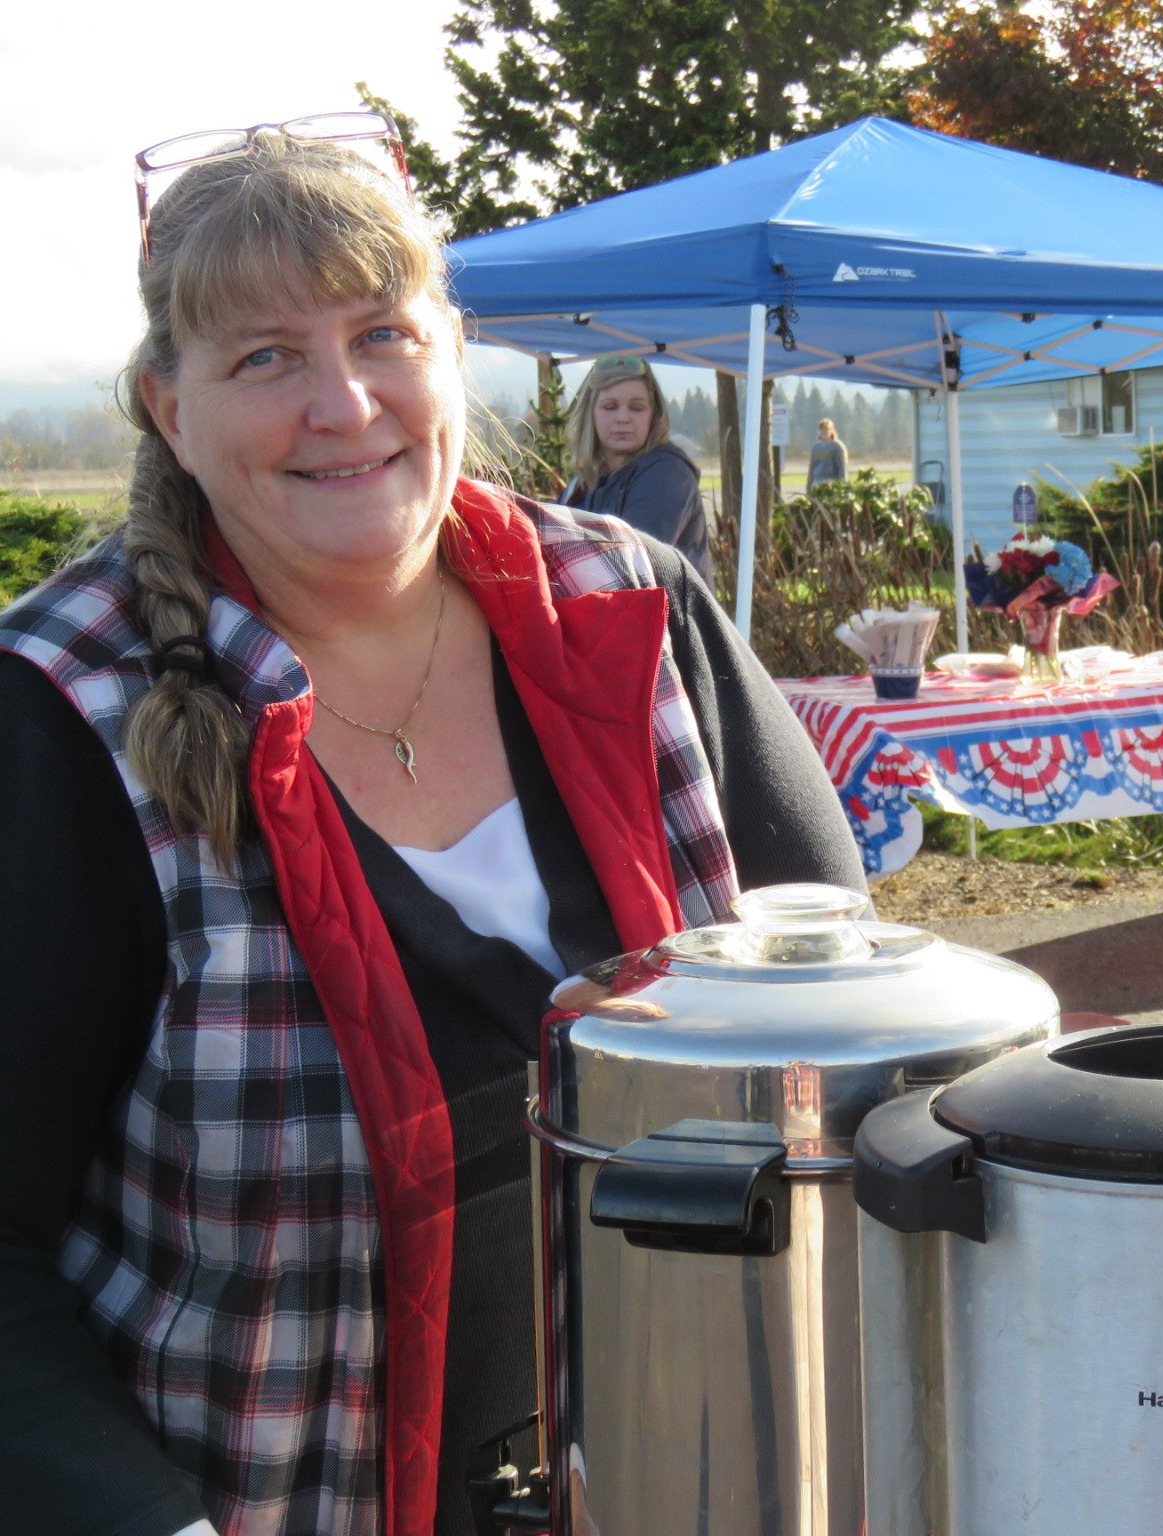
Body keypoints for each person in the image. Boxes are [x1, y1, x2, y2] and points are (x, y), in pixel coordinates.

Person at [0, 126, 863, 1536]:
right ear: (169, 408)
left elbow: (855, 1039)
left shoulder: (630, 613)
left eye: (382, 334)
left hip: (699, 1483)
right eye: (264, 356)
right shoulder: (60, 720)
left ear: (454, 352)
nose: (344, 406)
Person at [561, 355, 712, 583]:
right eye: (610, 407)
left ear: (654, 416)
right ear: (590, 414)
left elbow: (629, 566)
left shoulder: (668, 474)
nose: (623, 418)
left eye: (637, 408)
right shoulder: (582, 484)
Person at [806, 417, 847, 490]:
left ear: (832, 431)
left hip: (831, 486)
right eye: (821, 429)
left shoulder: (838, 447)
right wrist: (809, 488)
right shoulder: (816, 447)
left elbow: (842, 469)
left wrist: (843, 488)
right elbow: (811, 469)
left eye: (826, 429)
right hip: (816, 485)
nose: (823, 431)